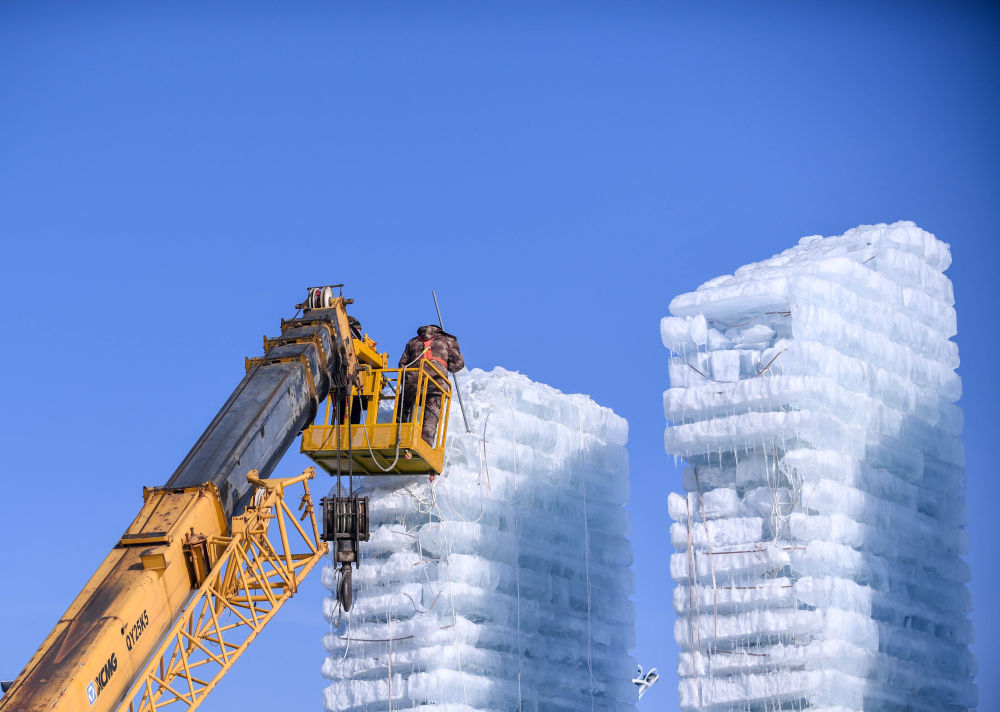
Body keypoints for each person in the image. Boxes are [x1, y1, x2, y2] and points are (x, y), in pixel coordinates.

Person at [398, 325, 465, 445]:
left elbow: (402, 364)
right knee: (432, 412)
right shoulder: (448, 340)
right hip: (435, 382)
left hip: (412, 380)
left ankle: (399, 438)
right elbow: (456, 365)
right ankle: (425, 444)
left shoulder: (412, 342)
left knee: (404, 404)